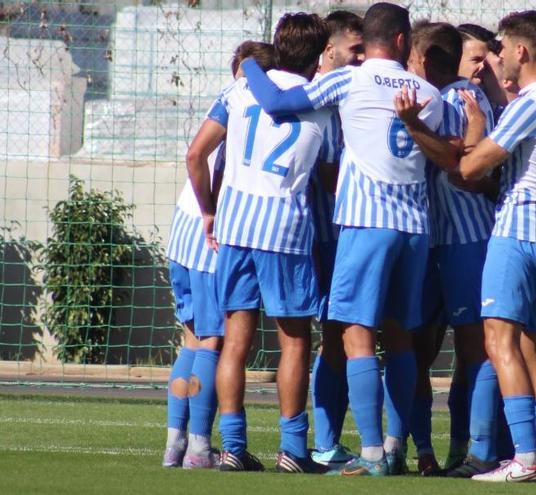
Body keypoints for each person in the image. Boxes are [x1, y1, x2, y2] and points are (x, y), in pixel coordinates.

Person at [241, 2, 444, 476]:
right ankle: (396, 444)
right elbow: (451, 152)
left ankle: (371, 453)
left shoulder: (349, 80)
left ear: (372, 40)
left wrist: (251, 62)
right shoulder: (429, 93)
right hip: (415, 227)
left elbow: (277, 103)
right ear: (401, 41)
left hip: (364, 224)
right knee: (400, 340)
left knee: (355, 335)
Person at [192, 13, 339, 473]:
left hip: (235, 227)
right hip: (285, 230)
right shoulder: (321, 104)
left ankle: (233, 448)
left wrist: (209, 208)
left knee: (235, 340)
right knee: (294, 342)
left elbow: (196, 153)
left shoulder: (239, 90)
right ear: (318, 58)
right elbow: (331, 177)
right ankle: (293, 451)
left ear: (276, 44)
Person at [458, 10, 536, 482]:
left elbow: (473, 168)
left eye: (501, 48)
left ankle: (524, 457)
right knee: (533, 343)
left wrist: (471, 126)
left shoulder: (532, 102)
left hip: (518, 231)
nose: (496, 57)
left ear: (522, 51)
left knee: (498, 338)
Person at [163, 40, 275, 470]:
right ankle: (198, 447)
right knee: (214, 340)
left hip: (181, 229)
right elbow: (196, 154)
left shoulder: (227, 97)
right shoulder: (248, 103)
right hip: (210, 230)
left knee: (192, 338)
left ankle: (175, 444)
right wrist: (211, 208)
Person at [395, 20, 498, 477]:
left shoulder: (460, 99)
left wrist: (416, 126)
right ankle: (424, 450)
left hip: (467, 240)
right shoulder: (427, 97)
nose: (481, 69)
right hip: (429, 238)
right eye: (475, 59)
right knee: (417, 349)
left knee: (473, 349)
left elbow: (462, 167)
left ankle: (471, 449)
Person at [308, 9, 363, 470]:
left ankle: (325, 441)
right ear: (329, 51)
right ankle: (322, 443)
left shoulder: (346, 96)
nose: (362, 59)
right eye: (355, 51)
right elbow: (327, 175)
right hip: (325, 235)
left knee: (338, 338)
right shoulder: (322, 102)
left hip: (335, 233)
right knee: (334, 336)